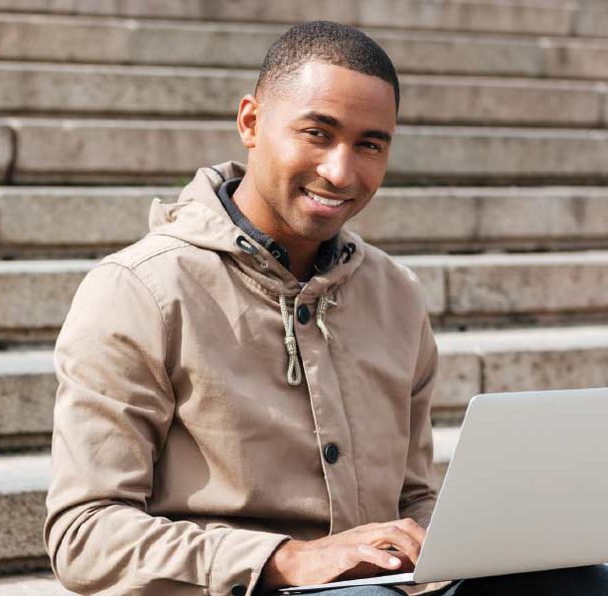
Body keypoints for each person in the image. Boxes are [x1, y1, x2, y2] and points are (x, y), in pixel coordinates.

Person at [44, 21, 608, 596]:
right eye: (317, 133)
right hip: (242, 587)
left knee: (582, 580)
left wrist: (480, 542)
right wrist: (285, 559)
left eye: (370, 144)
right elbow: (84, 535)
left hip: (381, 588)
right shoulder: (137, 290)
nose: (341, 172)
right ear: (250, 123)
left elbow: (413, 496)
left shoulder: (395, 293)